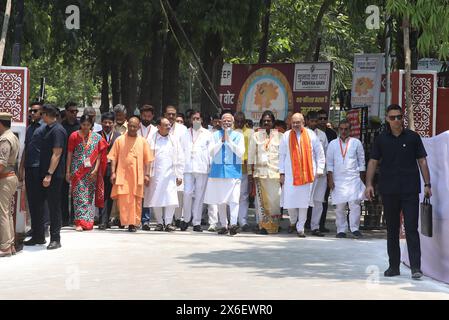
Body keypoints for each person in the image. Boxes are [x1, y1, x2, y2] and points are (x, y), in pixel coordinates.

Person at [365, 104, 432, 280]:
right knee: (392, 229)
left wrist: (427, 184)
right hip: (389, 190)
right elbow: (373, 162)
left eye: (399, 117)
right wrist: (369, 184)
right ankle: (393, 266)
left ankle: (416, 267)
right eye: (393, 117)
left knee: (411, 228)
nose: (397, 120)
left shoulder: (413, 137)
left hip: (410, 190)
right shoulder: (381, 139)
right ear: (387, 119)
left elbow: (422, 161)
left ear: (403, 118)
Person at [24, 105, 67, 250]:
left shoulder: (58, 130)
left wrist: (49, 174)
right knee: (38, 204)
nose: (41, 116)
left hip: (53, 175)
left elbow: (57, 153)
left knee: (54, 206)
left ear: (48, 114)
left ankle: (55, 238)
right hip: (42, 173)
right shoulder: (47, 128)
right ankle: (38, 236)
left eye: (42, 114)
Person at [279, 113, 325, 238]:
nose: (295, 125)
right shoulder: (286, 135)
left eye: (298, 122)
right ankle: (293, 221)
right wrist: (281, 172)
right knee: (290, 202)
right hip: (290, 174)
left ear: (303, 122)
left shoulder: (311, 135)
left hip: (307, 173)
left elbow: (319, 153)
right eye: (293, 122)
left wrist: (320, 168)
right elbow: (281, 155)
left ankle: (301, 228)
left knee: (304, 202)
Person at [108, 116, 153, 232]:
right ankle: (125, 221)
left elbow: (148, 160)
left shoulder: (143, 141)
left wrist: (147, 175)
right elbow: (113, 157)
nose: (132, 128)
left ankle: (133, 223)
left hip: (137, 176)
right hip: (122, 175)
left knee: (136, 200)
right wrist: (112, 173)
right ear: (127, 126)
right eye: (131, 126)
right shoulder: (119, 140)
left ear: (138, 127)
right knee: (123, 200)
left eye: (135, 126)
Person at [204, 112, 245, 236]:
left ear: (233, 123)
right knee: (220, 200)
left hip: (233, 172)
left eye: (229, 121)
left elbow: (240, 153)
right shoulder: (215, 135)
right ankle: (223, 225)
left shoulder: (238, 135)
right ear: (220, 122)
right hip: (218, 172)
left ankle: (233, 224)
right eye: (224, 121)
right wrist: (221, 141)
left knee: (234, 200)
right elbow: (211, 152)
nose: (226, 123)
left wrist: (229, 142)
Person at [66, 115, 108, 231]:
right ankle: (79, 222)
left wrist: (95, 170)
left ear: (91, 125)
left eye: (88, 125)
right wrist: (68, 170)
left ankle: (88, 221)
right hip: (77, 170)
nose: (85, 127)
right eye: (83, 125)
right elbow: (70, 153)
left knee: (89, 196)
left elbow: (99, 155)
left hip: (91, 171)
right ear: (80, 124)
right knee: (79, 196)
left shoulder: (96, 137)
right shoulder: (74, 135)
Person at [327, 119, 366, 239]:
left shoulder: (356, 143)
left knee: (354, 204)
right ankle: (341, 229)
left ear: (350, 130)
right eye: (341, 129)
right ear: (338, 130)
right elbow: (329, 164)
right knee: (340, 206)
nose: (343, 131)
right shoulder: (333, 144)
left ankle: (355, 228)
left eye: (346, 129)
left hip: (353, 178)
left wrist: (362, 180)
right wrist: (330, 179)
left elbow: (362, 162)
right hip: (338, 179)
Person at [145, 117, 184, 231]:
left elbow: (180, 158)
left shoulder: (174, 140)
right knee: (156, 198)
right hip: (156, 174)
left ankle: (168, 223)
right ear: (158, 127)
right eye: (166, 125)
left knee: (170, 199)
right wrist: (147, 174)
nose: (169, 127)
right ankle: (159, 223)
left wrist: (179, 175)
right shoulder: (152, 139)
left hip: (171, 174)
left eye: (169, 125)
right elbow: (147, 158)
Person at [248, 111, 283, 234]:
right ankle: (262, 226)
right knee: (260, 202)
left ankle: (274, 226)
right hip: (260, 173)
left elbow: (283, 156)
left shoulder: (280, 136)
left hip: (275, 173)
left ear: (273, 122)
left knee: (275, 200)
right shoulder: (256, 136)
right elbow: (251, 155)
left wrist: (283, 173)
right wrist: (249, 173)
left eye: (269, 121)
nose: (267, 122)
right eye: (264, 121)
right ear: (261, 122)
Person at [19, 102, 50, 238]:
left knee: (41, 200)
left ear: (42, 113)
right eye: (31, 111)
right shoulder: (30, 128)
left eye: (35, 111)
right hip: (30, 167)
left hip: (40, 168)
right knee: (31, 199)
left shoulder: (45, 128)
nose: (32, 113)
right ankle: (35, 227)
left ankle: (44, 227)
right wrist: (21, 167)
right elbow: (26, 148)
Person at [181, 111, 213, 232]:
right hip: (187, 167)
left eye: (198, 118)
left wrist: (210, 167)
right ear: (190, 120)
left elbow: (211, 152)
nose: (196, 120)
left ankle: (197, 222)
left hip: (202, 167)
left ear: (201, 120)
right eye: (193, 118)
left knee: (199, 196)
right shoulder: (184, 134)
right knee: (187, 193)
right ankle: (186, 219)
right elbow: (181, 151)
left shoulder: (207, 134)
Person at [305, 111, 328, 237]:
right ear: (307, 121)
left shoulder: (323, 135)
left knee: (318, 201)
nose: (314, 123)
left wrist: (324, 170)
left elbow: (326, 153)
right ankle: (299, 225)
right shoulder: (302, 133)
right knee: (303, 200)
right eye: (312, 121)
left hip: (321, 174)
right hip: (306, 172)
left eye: (316, 121)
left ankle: (315, 227)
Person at [97, 112, 121, 230]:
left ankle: (117, 219)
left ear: (114, 123)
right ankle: (102, 220)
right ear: (101, 123)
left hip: (113, 170)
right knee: (102, 195)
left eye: (110, 122)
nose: (107, 125)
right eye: (105, 122)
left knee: (111, 196)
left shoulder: (118, 136)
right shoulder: (96, 136)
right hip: (98, 170)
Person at [0, 113, 20, 257]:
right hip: (10, 177)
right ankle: (11, 244)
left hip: (5, 178)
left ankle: (5, 246)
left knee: (2, 213)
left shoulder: (5, 139)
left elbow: (1, 163)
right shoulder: (12, 136)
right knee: (7, 212)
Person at [164, 105, 187, 227]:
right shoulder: (161, 127)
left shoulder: (183, 129)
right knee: (166, 193)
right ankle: (166, 220)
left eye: (173, 114)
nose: (171, 116)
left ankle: (178, 218)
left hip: (178, 165)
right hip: (164, 166)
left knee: (179, 193)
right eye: (169, 114)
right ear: (165, 114)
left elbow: (185, 148)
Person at [317, 109, 338, 233]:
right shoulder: (311, 133)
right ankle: (308, 223)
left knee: (324, 199)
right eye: (321, 118)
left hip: (327, 170)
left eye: (325, 118)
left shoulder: (332, 134)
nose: (323, 121)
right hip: (312, 170)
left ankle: (321, 224)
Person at [233, 111, 254, 231]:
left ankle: (243, 220)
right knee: (232, 196)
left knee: (244, 196)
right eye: (237, 121)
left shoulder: (250, 133)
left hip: (245, 169)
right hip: (232, 169)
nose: (239, 123)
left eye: (242, 121)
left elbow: (251, 151)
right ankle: (233, 220)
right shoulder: (230, 132)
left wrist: (247, 161)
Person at [61, 102, 80, 226]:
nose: (74, 114)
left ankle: (75, 217)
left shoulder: (80, 127)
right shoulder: (61, 126)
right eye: (72, 111)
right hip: (63, 162)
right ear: (66, 112)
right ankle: (64, 219)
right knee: (63, 191)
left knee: (76, 190)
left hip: (77, 162)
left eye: (76, 111)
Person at [138, 105, 156, 231]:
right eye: (144, 116)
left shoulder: (155, 130)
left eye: (149, 116)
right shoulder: (134, 129)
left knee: (148, 194)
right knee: (138, 193)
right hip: (137, 165)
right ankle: (136, 218)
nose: (146, 118)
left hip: (151, 166)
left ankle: (146, 220)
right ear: (141, 116)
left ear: (152, 117)